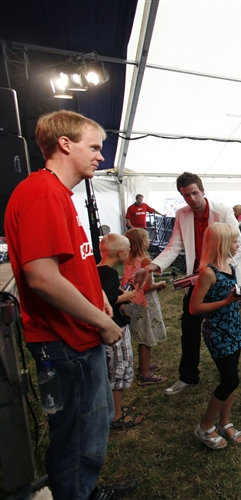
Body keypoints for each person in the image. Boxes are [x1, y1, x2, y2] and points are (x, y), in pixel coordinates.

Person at [3, 110, 135, 499]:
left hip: (74, 336)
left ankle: (85, 489)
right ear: (65, 144)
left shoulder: (55, 193)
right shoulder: (43, 194)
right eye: (94, 147)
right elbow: (42, 277)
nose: (100, 156)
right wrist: (104, 320)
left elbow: (71, 264)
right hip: (66, 342)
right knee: (79, 432)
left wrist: (100, 300)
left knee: (84, 431)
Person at [135, 172, 241, 396]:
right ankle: (188, 376)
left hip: (222, 279)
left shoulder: (223, 211)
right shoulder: (182, 214)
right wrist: (150, 267)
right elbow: (173, 247)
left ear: (203, 191)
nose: (191, 198)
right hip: (196, 279)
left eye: (195, 192)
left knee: (228, 327)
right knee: (190, 329)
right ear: (182, 196)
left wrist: (216, 271)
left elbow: (239, 247)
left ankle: (229, 374)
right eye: (186, 195)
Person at [190, 223, 241, 450]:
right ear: (222, 244)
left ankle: (224, 422)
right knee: (231, 379)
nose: (237, 245)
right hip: (218, 332)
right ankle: (204, 426)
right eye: (234, 241)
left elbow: (229, 295)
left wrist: (238, 295)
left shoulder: (230, 267)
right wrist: (226, 301)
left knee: (230, 378)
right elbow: (194, 308)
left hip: (233, 328)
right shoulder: (208, 272)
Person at [97, 233, 144, 429]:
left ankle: (114, 409)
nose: (129, 253)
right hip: (115, 327)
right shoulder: (108, 273)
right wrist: (126, 297)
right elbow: (107, 299)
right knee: (118, 369)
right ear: (120, 252)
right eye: (128, 250)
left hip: (109, 326)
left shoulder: (96, 270)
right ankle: (116, 415)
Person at [123, 228, 168, 386]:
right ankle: (145, 374)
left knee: (141, 335)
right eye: (147, 238)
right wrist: (161, 284)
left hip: (132, 301)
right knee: (146, 338)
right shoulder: (145, 261)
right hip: (144, 303)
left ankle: (143, 365)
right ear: (143, 242)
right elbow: (148, 287)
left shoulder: (129, 258)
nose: (149, 240)